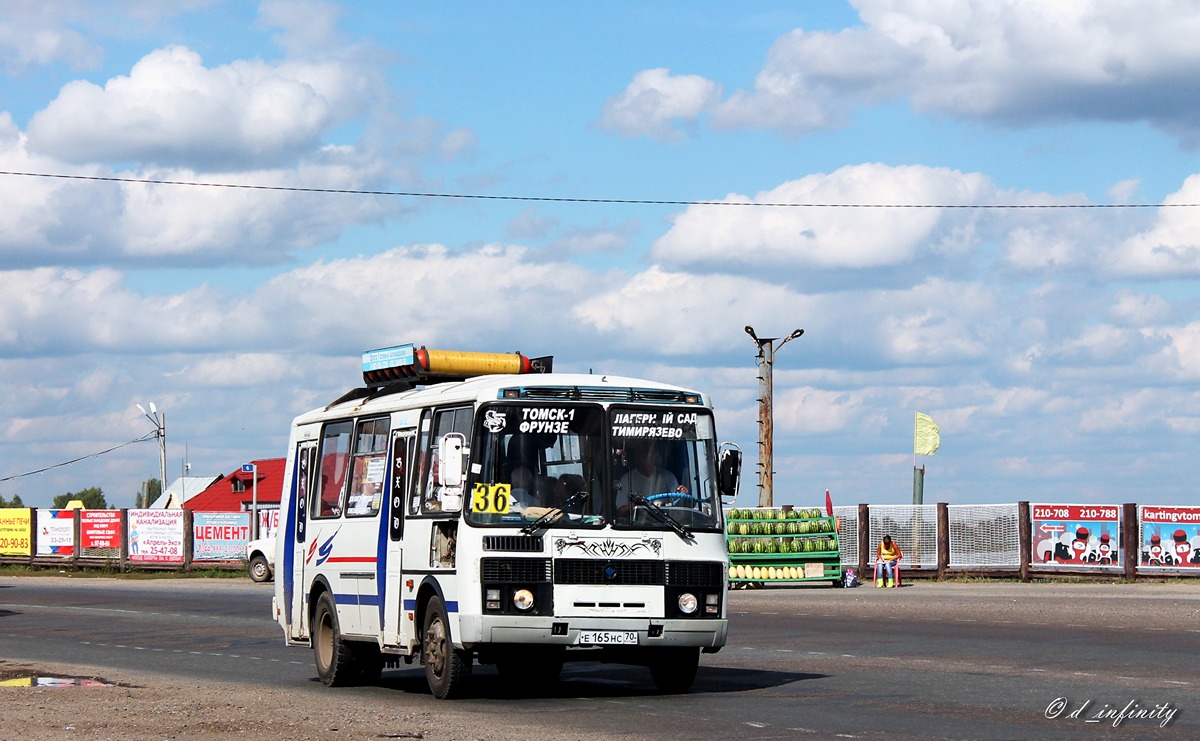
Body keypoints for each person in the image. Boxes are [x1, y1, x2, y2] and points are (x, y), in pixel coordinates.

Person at [615, 439, 688, 512]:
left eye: (651, 453)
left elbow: (679, 504)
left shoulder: (668, 476)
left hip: (667, 521)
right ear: (637, 456)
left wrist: (683, 494)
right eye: (645, 453)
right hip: (637, 522)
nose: (649, 456)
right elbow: (621, 511)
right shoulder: (627, 479)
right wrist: (636, 505)